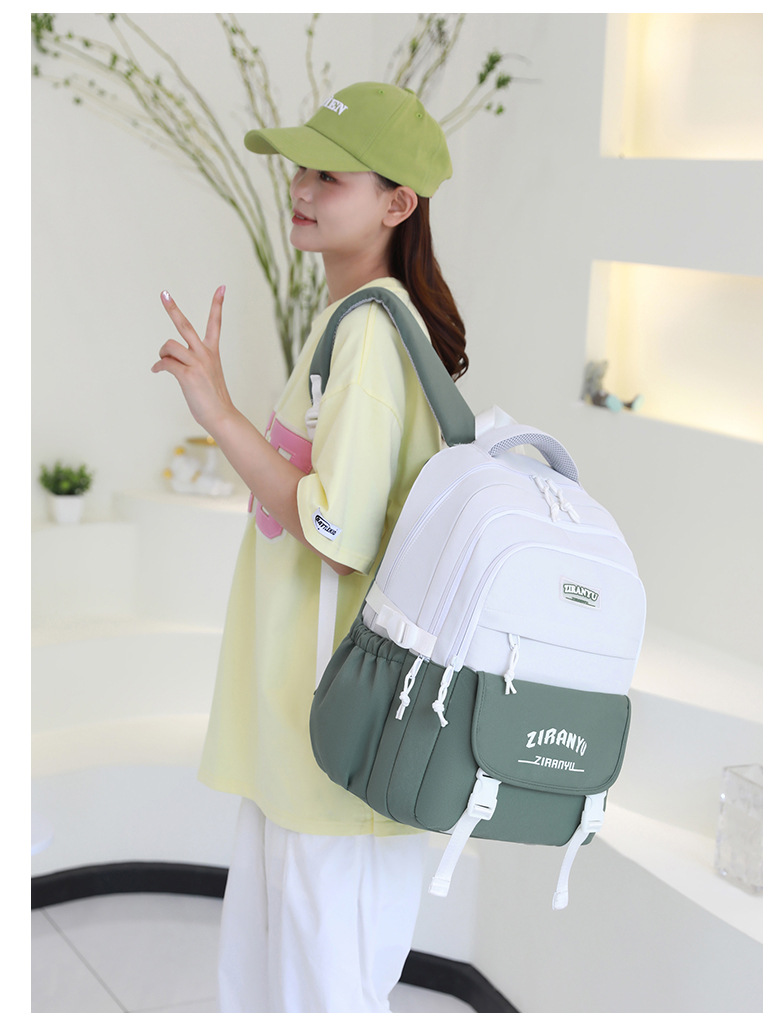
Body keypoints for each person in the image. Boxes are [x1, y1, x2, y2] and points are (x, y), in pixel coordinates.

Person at [152, 81, 468, 1013]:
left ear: (397, 204)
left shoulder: (370, 330)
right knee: (275, 993)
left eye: (330, 175)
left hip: (337, 747)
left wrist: (218, 413)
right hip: (306, 740)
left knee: (317, 1001)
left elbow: (337, 532)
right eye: (302, 168)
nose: (301, 187)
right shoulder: (349, 321)